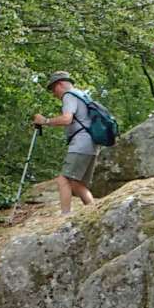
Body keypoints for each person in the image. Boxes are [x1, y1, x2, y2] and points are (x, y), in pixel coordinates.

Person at [33, 71, 98, 214]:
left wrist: (45, 121)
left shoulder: (69, 95)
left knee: (64, 180)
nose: (53, 94)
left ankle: (65, 216)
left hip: (80, 143)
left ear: (60, 84)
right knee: (76, 184)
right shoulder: (83, 95)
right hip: (92, 144)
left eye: (53, 89)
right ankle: (94, 212)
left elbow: (67, 119)